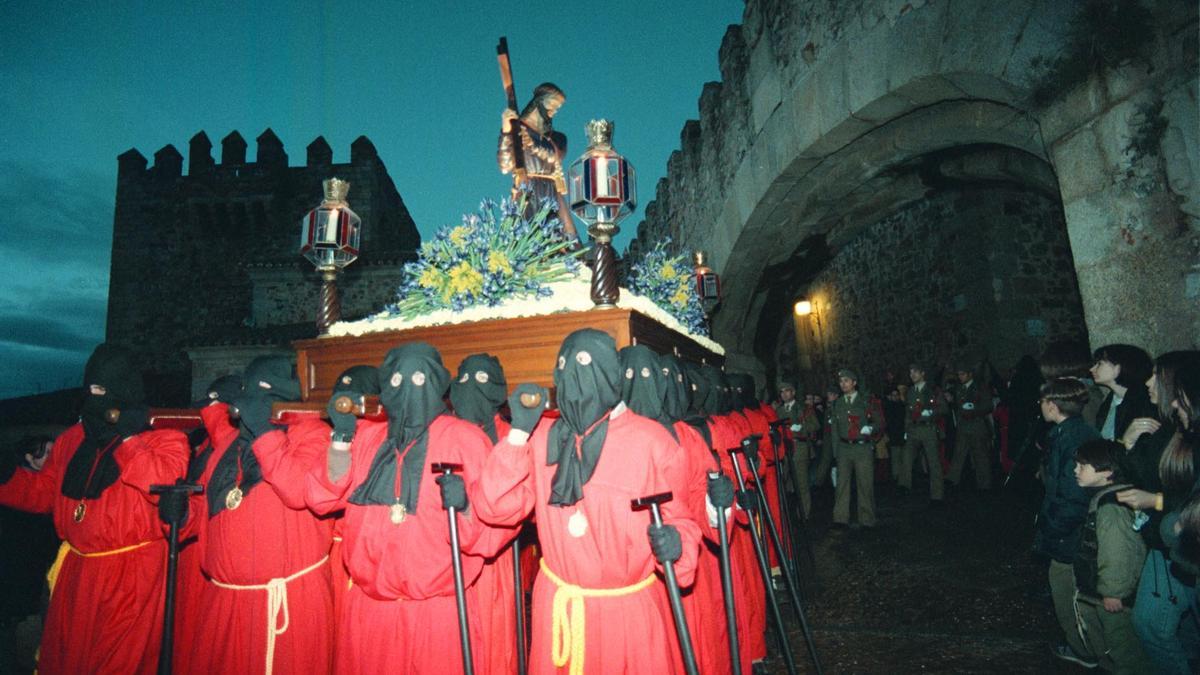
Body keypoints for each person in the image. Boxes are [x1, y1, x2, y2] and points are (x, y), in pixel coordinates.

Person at [470, 329, 702, 675]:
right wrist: (517, 435)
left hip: (626, 613)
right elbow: (496, 507)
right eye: (565, 364)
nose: (575, 376)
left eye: (586, 364)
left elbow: (681, 518)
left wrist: (678, 545)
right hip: (561, 610)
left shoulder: (651, 441)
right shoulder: (544, 438)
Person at [307, 343, 514, 674]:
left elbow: (493, 532)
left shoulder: (465, 439)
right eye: (398, 379)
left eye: (420, 377)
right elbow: (321, 497)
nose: (408, 388)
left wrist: (464, 509)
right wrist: (340, 441)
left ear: (437, 384)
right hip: (369, 611)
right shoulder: (367, 439)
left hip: (437, 615)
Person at [0, 344, 189, 674]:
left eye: (103, 390)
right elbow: (46, 493)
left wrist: (129, 438)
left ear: (124, 390)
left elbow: (161, 483)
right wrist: (6, 475)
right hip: (76, 572)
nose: (95, 399)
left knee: (116, 664)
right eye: (91, 390)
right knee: (67, 661)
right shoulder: (74, 439)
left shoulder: (164, 438)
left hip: (129, 577)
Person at [183, 357, 336, 675]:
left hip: (285, 602)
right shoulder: (230, 444)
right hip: (225, 601)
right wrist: (180, 515)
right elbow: (209, 509)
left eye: (262, 392)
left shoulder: (314, 434)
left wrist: (266, 432)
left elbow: (299, 490)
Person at [1115, 352, 1200, 674]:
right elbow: (1142, 475)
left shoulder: (1187, 436)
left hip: (1178, 541)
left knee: (1155, 625)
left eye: (1155, 377)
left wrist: (1157, 502)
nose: (1148, 383)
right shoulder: (1169, 429)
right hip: (1165, 542)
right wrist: (1125, 443)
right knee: (1165, 626)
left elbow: (1180, 497)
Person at [450, 353, 521, 675]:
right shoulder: (445, 433)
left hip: (495, 556)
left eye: (480, 381)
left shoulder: (511, 437)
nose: (470, 390)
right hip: (449, 552)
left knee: (493, 637)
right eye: (463, 380)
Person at [1033, 377, 1102, 669]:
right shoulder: (1068, 432)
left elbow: (1073, 493)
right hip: (1066, 529)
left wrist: (1052, 528)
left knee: (1068, 591)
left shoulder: (1072, 438)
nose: (1041, 406)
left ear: (1053, 404)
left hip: (1068, 533)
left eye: (1043, 401)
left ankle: (1086, 649)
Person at [1070, 439, 1150, 673]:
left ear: (1106, 471)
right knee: (1106, 649)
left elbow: (1119, 551)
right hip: (1097, 593)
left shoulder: (1111, 507)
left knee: (1124, 652)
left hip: (1111, 599)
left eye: (1082, 466)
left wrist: (1114, 591)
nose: (1076, 470)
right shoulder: (1104, 497)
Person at [498, 82, 577, 243]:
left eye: (557, 108)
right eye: (552, 105)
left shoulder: (556, 138)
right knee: (525, 238)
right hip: (527, 190)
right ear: (539, 103)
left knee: (562, 241)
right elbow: (505, 165)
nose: (553, 111)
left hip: (551, 192)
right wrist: (506, 132)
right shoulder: (517, 130)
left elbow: (555, 155)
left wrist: (533, 145)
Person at [829, 368, 884, 528]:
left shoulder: (865, 401)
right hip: (844, 448)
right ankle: (840, 518)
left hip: (862, 448)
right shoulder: (837, 403)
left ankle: (867, 519)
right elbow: (834, 431)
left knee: (865, 483)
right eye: (841, 381)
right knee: (842, 485)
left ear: (854, 383)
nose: (843, 384)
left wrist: (871, 429)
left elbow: (880, 422)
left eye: (846, 381)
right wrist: (835, 454)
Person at [899, 363, 946, 504]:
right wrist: (906, 430)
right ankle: (904, 486)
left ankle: (937, 495)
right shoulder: (911, 391)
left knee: (933, 462)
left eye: (915, 372)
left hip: (928, 429)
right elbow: (908, 412)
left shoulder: (932, 390)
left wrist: (932, 412)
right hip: (913, 429)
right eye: (911, 372)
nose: (912, 375)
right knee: (906, 457)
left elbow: (944, 408)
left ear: (922, 373)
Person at [1091, 344, 1156, 442]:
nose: (1092, 369)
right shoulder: (1110, 401)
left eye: (1100, 363)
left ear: (1119, 368)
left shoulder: (1143, 403)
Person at [946, 362, 995, 491]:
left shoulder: (980, 387)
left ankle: (984, 484)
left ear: (970, 375)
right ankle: (952, 480)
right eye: (959, 375)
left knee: (980, 456)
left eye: (962, 374)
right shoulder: (959, 388)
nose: (960, 377)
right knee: (959, 453)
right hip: (963, 426)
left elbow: (988, 405)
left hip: (976, 426)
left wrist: (974, 409)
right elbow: (957, 405)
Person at [775, 383, 819, 517]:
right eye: (781, 392)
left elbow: (815, 425)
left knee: (802, 484)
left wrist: (801, 428)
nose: (784, 394)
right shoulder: (778, 411)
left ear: (793, 392)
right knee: (782, 483)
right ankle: (783, 514)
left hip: (799, 447)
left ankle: (804, 513)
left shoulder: (803, 409)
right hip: (783, 448)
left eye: (787, 391)